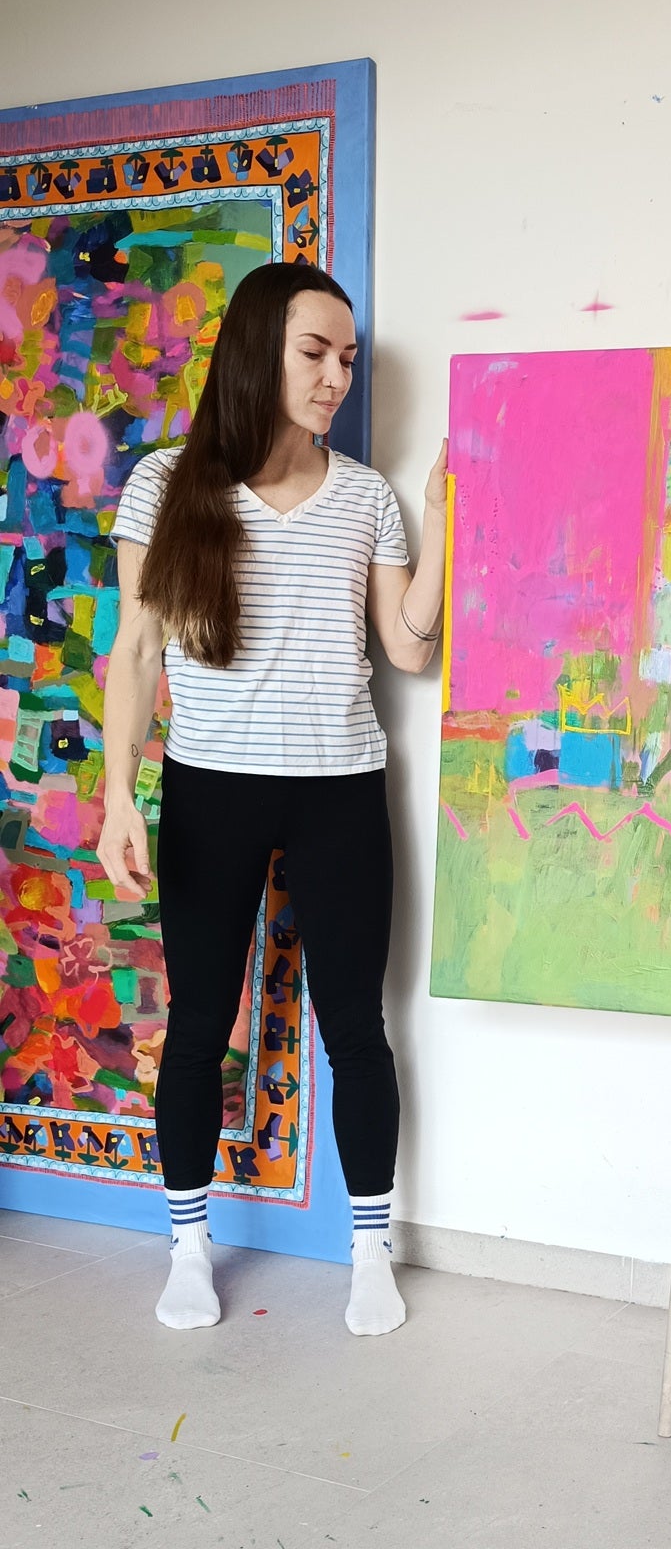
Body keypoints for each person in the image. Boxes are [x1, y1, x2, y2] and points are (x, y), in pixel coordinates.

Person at [95, 262, 446, 1337]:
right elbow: (137, 649)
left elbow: (407, 648)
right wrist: (117, 795)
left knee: (359, 1027)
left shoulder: (369, 497)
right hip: (210, 788)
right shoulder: (166, 482)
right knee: (200, 1025)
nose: (337, 374)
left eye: (347, 357)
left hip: (340, 787)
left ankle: (370, 1254)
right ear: (260, 348)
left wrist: (444, 522)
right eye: (317, 352)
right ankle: (190, 1247)